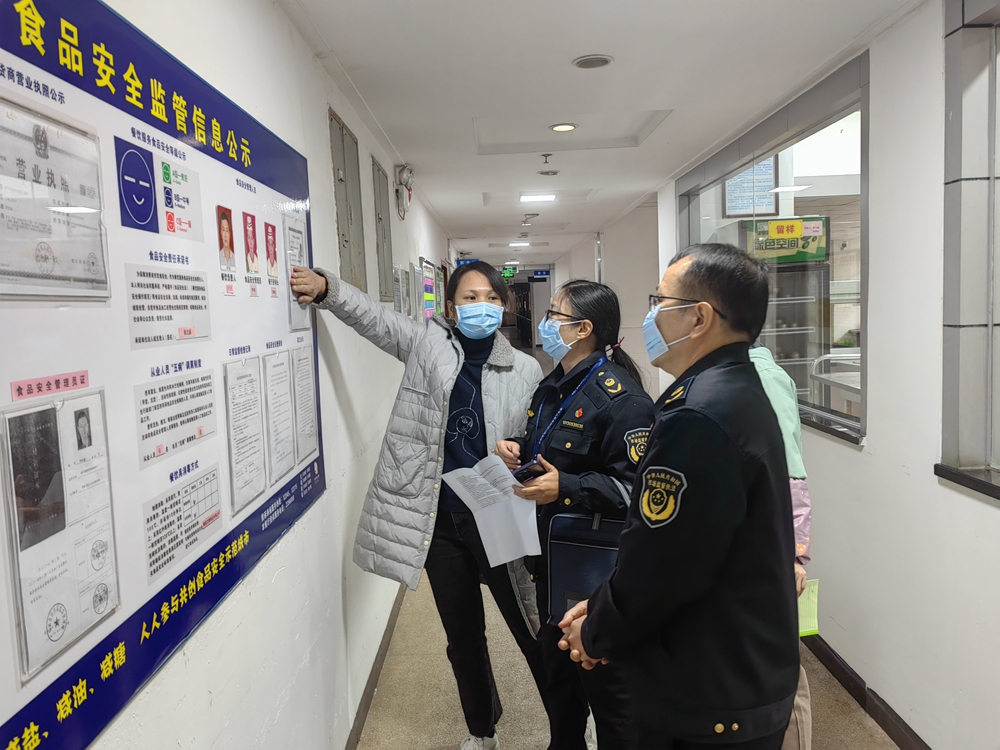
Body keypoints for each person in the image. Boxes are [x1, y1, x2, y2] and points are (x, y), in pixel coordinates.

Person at [289, 261, 551, 750]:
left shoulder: (526, 368)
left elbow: (538, 436)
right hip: (441, 521)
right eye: (470, 298)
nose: (482, 307)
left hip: (496, 516)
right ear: (451, 307)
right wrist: (328, 290)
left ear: (504, 305)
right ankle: (482, 731)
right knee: (463, 636)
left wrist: (517, 445)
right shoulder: (427, 345)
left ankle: (567, 731)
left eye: (492, 298)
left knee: (530, 625)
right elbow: (376, 319)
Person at [559, 243, 800, 749]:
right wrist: (600, 606)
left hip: (709, 697)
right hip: (736, 673)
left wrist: (595, 630)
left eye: (660, 301)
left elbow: (662, 565)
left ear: (699, 317)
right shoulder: (734, 391)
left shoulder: (698, 417)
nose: (651, 315)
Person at [495, 280, 655, 749]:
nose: (545, 323)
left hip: (594, 575)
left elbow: (634, 493)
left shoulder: (623, 400)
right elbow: (549, 447)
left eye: (555, 314)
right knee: (559, 687)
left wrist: (567, 486)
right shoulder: (552, 385)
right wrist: (519, 449)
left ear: (583, 328)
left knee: (607, 697)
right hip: (548, 563)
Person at [749, 342, 814, 750]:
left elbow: (791, 472)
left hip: (772, 546)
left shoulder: (763, 377)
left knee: (782, 667)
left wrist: (794, 554)